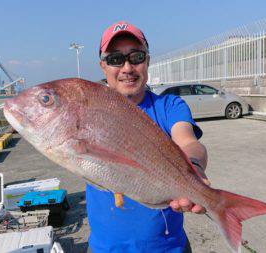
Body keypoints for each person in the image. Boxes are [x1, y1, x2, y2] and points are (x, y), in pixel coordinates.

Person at [86, 21, 209, 253]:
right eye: (115, 59)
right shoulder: (91, 113)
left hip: (169, 248)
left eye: (136, 57)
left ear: (148, 61)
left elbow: (189, 141)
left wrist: (194, 168)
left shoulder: (169, 106)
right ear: (103, 66)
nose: (127, 68)